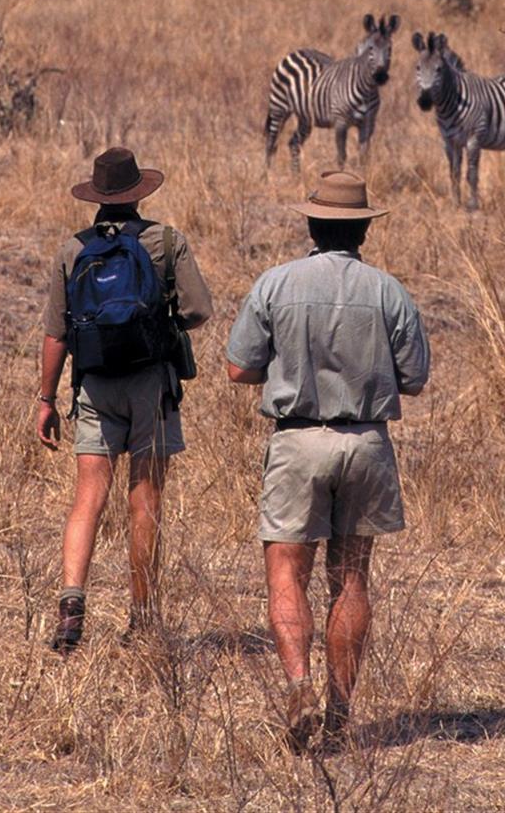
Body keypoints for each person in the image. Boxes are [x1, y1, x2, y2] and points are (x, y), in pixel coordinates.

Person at [226, 169, 430, 752]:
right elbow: (414, 380)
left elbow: (238, 368)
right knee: (351, 577)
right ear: (363, 230)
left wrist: (290, 363)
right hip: (366, 441)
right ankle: (340, 712)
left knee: (288, 571)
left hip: (296, 441)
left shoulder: (276, 282)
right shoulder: (389, 290)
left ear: (311, 224)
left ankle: (299, 686)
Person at [38, 146, 213, 654]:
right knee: (145, 499)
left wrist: (46, 398)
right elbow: (199, 310)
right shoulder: (165, 240)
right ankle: (142, 618)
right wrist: (162, 326)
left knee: (87, 498)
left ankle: (71, 609)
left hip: (93, 384)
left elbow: (55, 334)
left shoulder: (73, 249)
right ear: (139, 192)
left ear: (96, 195)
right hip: (150, 386)